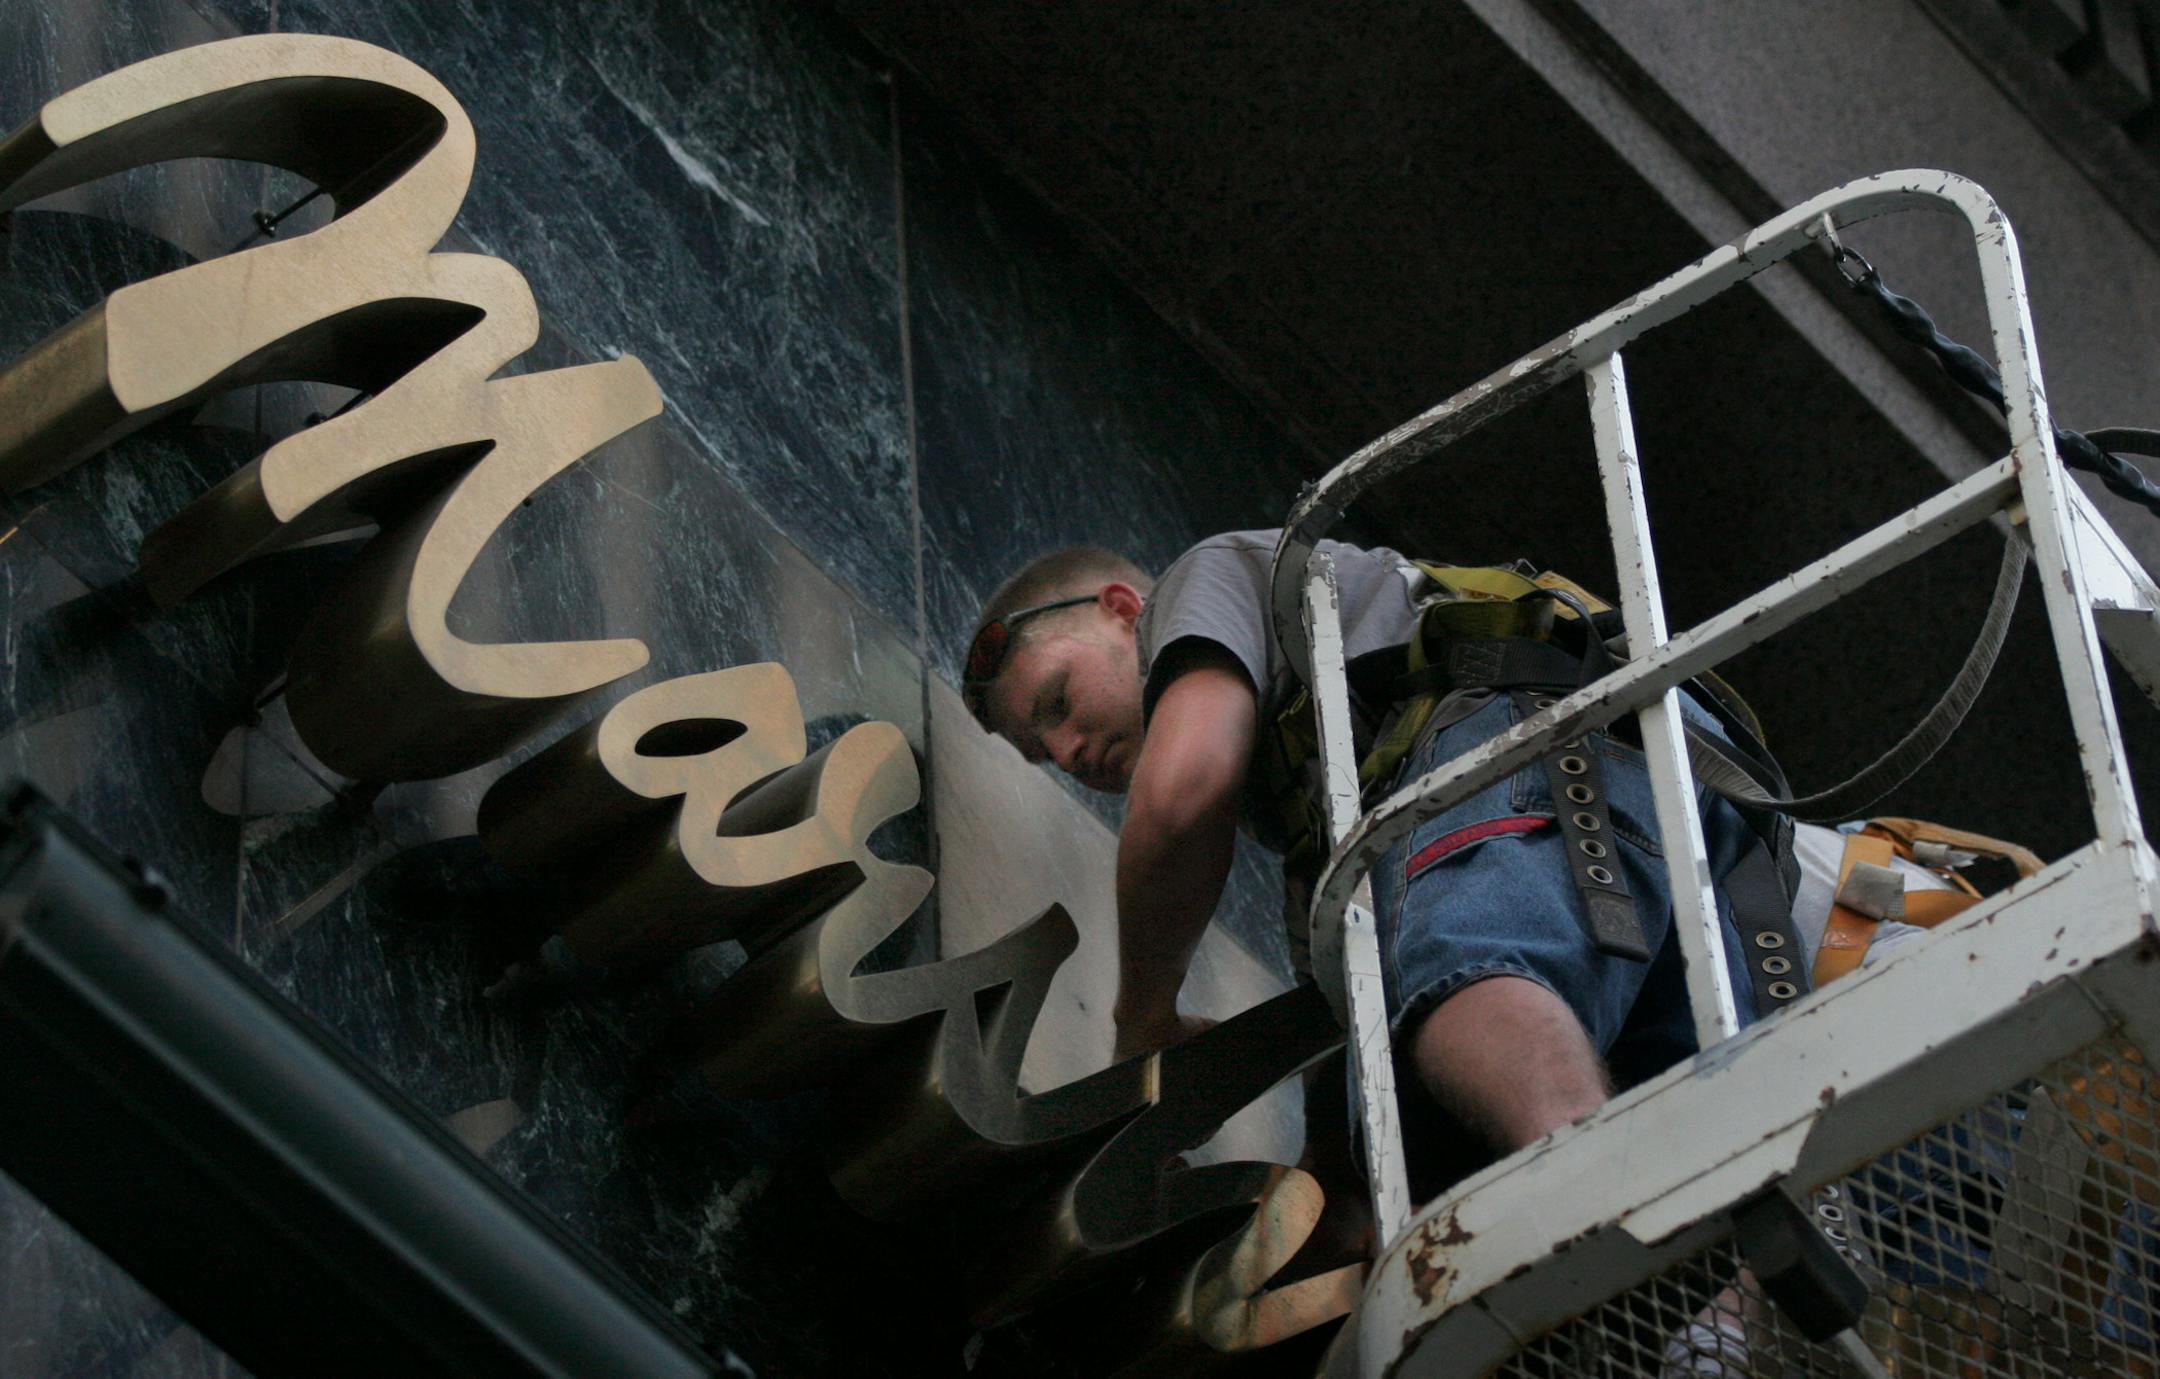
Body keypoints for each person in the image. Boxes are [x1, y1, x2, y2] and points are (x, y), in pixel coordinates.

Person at [961, 531, 1805, 1191]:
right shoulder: (1315, 805)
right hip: (1692, 810)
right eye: (1043, 752)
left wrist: (1142, 1021)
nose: (1068, 751)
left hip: (1545, 722)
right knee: (1702, 1150)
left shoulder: (1204, 578)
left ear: (1122, 609)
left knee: (1462, 967)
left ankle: (1594, 1200)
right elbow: (1348, 1021)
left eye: (1058, 701)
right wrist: (1324, 1189)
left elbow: (1182, 792)